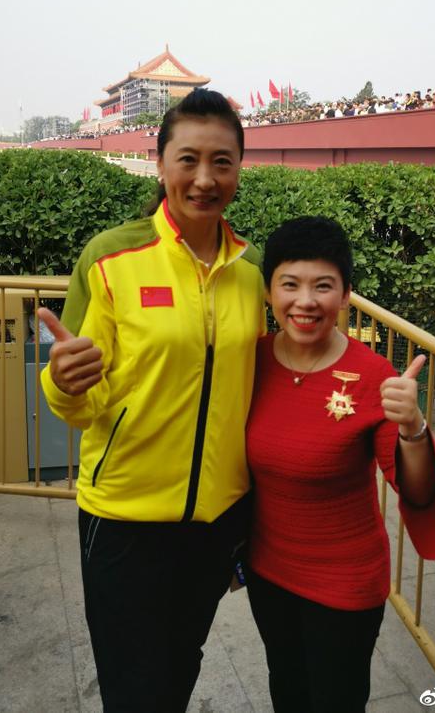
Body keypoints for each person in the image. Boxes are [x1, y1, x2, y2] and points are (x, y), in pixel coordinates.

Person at [38, 89, 265, 713]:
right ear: (160, 163)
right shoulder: (111, 258)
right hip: (124, 520)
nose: (204, 178)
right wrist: (63, 381)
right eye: (188, 159)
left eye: (222, 161)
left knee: (181, 663)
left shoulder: (252, 272)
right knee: (132, 685)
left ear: (239, 169)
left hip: (216, 522)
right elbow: (79, 405)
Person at [244, 216, 435, 713]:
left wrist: (412, 426)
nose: (306, 301)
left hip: (345, 582)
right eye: (290, 284)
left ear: (346, 294)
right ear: (269, 292)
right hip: (267, 571)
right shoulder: (249, 361)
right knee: (286, 687)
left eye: (323, 286)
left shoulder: (373, 375)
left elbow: (417, 492)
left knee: (338, 699)